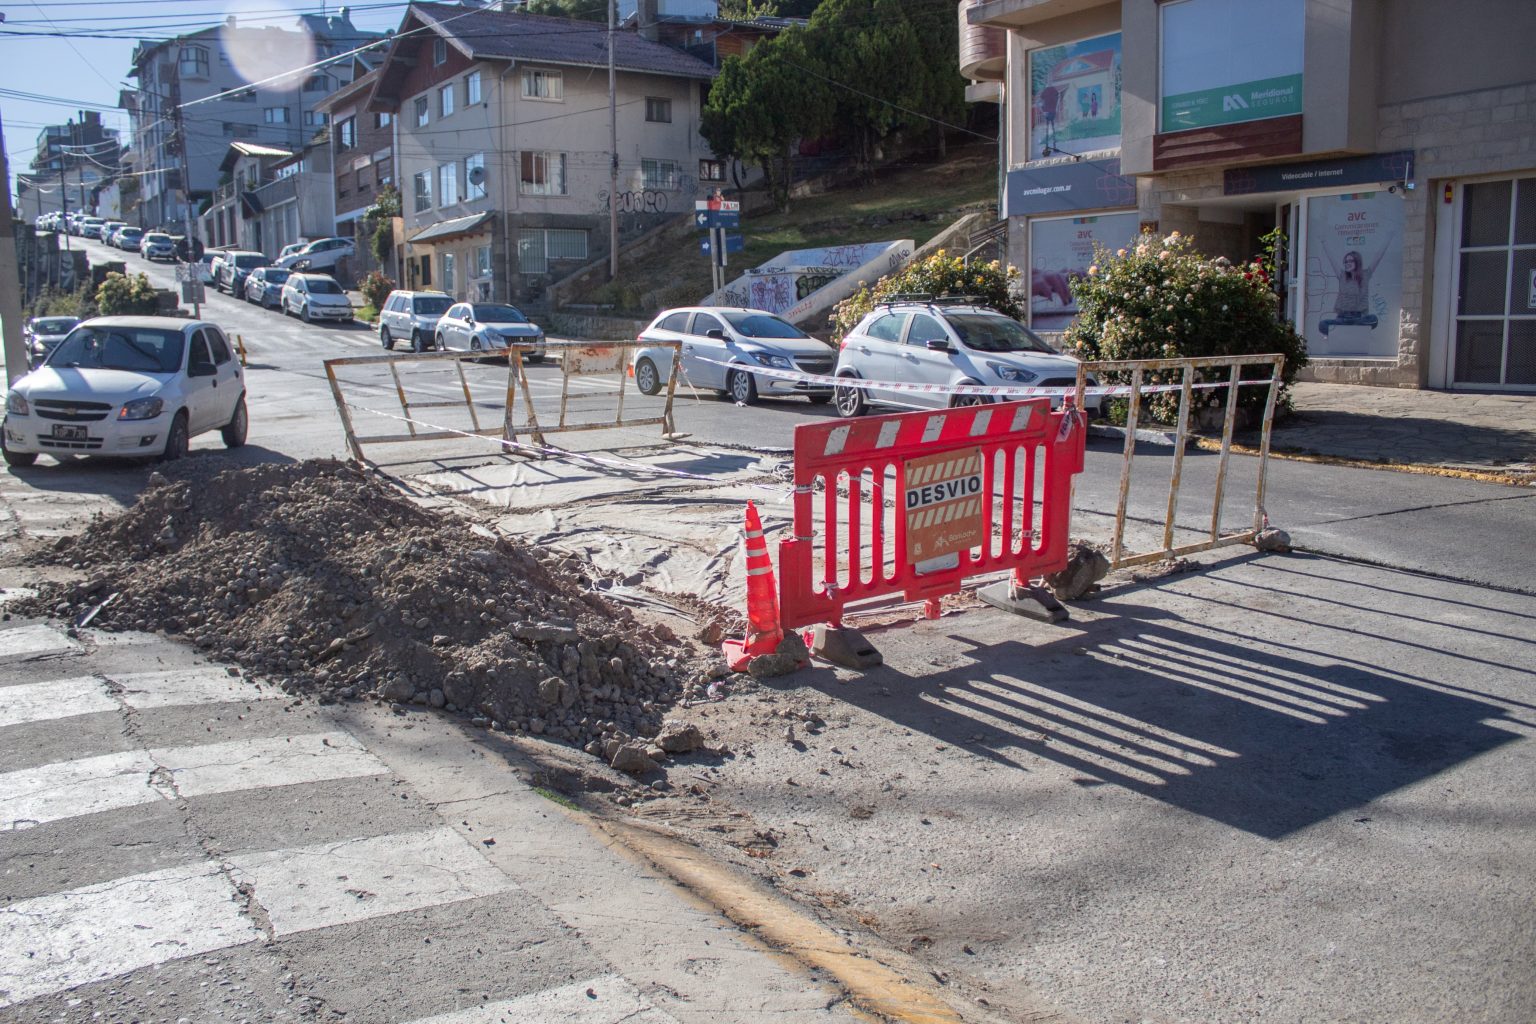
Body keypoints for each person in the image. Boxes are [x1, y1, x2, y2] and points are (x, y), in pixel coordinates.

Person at [1318, 229, 1395, 337]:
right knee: (1322, 324)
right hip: (1342, 318)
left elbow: (1378, 256)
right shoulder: (1342, 276)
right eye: (1345, 261)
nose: (1347, 264)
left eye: (1350, 261)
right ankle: (1347, 331)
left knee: (1373, 319)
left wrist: (1388, 238)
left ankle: (1343, 332)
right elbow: (1331, 260)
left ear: (1357, 262)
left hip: (1359, 318)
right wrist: (1323, 242)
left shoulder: (1365, 274)